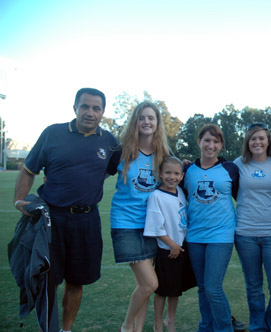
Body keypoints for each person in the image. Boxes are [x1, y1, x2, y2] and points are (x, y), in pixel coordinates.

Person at [13, 88, 121, 332]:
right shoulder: (53, 133)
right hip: (52, 220)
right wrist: (19, 200)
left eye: (96, 108)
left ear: (103, 112)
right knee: (48, 280)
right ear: (75, 108)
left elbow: (117, 167)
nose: (90, 112)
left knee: (77, 280)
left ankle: (66, 330)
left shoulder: (110, 142)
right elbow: (29, 170)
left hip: (87, 221)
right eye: (84, 106)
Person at [110, 101, 171, 332]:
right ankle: (126, 327)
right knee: (150, 283)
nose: (146, 122)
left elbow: (176, 176)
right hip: (125, 223)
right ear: (136, 121)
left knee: (143, 285)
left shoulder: (164, 154)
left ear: (157, 123)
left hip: (152, 224)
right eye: (142, 117)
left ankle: (136, 330)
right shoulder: (122, 150)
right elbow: (94, 171)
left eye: (151, 118)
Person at [183, 124, 239, 332]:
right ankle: (205, 327)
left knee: (213, 288)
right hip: (195, 235)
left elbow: (242, 196)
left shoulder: (230, 169)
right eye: (207, 140)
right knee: (203, 288)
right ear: (198, 142)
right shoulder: (187, 170)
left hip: (221, 235)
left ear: (221, 145)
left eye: (216, 141)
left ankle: (225, 328)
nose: (211, 145)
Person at [233, 123, 271, 332]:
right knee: (254, 288)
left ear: (268, 141)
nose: (257, 142)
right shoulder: (238, 164)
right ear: (248, 141)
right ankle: (258, 327)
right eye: (253, 138)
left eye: (261, 138)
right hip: (246, 235)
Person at [143, 156, 197, 332]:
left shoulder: (180, 192)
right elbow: (155, 227)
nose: (172, 177)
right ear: (160, 174)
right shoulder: (156, 196)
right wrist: (171, 244)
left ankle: (170, 320)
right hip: (167, 250)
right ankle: (158, 323)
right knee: (162, 290)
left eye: (176, 173)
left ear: (182, 176)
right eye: (167, 173)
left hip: (181, 248)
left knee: (176, 289)